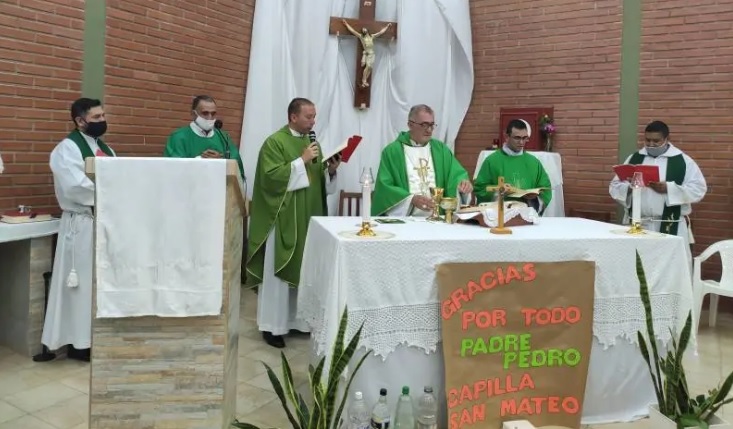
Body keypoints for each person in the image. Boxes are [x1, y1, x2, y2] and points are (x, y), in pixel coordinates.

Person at [246, 98, 341, 348]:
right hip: (284, 218)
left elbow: (318, 181)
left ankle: (298, 323)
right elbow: (270, 179)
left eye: (314, 116)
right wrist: (302, 161)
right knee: (278, 273)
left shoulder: (312, 143)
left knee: (304, 270)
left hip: (307, 216)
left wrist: (330, 170)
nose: (313, 121)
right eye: (308, 116)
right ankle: (272, 326)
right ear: (293, 117)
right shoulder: (274, 142)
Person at [41, 98, 116, 362]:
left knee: (99, 284)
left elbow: (117, 177)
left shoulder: (106, 148)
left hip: (104, 224)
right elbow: (75, 186)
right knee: (79, 286)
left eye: (103, 115)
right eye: (96, 117)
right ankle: (78, 343)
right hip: (82, 224)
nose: (102, 121)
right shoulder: (67, 149)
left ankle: (97, 338)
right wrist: (114, 192)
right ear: (80, 121)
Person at [609, 120, 706, 252]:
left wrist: (669, 189)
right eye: (647, 140)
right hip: (638, 224)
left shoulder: (683, 161)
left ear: (667, 139)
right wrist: (630, 188)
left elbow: (698, 189)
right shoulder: (635, 158)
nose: (651, 144)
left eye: (656, 141)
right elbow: (615, 186)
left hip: (670, 225)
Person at [371, 105, 472, 216]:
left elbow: (456, 176)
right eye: (424, 125)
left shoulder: (441, 150)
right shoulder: (392, 152)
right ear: (410, 125)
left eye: (431, 125)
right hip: (406, 221)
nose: (429, 130)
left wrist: (462, 185)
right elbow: (385, 188)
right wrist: (411, 199)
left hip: (438, 220)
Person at [474, 119, 552, 214]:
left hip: (526, 216)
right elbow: (480, 189)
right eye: (517, 138)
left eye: (524, 138)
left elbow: (546, 189)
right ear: (507, 137)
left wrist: (534, 198)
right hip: (499, 215)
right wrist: (498, 192)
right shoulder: (492, 161)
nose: (521, 142)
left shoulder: (534, 162)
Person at [163, 95, 245, 180]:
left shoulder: (224, 137)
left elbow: (237, 166)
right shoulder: (178, 137)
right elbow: (172, 169)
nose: (210, 118)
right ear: (194, 114)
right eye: (205, 113)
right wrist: (201, 160)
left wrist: (220, 160)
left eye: (213, 114)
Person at [341, 19, 392, 88]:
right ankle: (363, 80)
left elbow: (380, 33)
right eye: (362, 30)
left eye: (364, 29)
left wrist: (387, 26)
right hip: (367, 54)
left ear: (367, 30)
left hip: (372, 54)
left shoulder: (372, 36)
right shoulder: (361, 37)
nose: (363, 30)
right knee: (368, 66)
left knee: (370, 68)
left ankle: (365, 81)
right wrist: (346, 24)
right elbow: (353, 31)